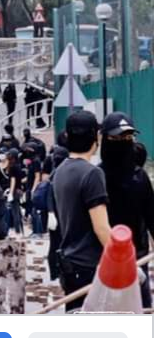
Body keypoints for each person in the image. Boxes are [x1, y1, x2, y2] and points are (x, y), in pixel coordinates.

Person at [52, 110, 111, 311]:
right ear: (96, 137)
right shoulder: (92, 174)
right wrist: (124, 260)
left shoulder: (60, 171)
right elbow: (101, 228)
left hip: (69, 264)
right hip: (89, 266)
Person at [99, 112, 154, 308]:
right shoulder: (96, 178)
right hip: (103, 261)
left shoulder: (140, 178)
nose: (124, 142)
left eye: (128, 137)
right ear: (104, 139)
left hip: (138, 261)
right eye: (118, 137)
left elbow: (152, 217)